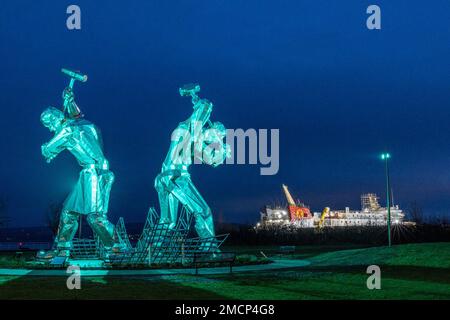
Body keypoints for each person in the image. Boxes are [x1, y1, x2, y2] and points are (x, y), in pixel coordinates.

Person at [38, 90, 118, 258]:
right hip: (91, 173)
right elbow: (77, 115)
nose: (50, 128)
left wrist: (46, 150)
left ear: (55, 119)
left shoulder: (67, 129)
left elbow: (49, 149)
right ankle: (62, 249)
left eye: (49, 124)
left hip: (95, 173)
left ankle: (117, 248)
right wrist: (69, 101)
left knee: (95, 217)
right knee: (69, 212)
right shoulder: (88, 125)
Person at [154, 84, 230, 242]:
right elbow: (205, 108)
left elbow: (212, 161)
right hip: (177, 177)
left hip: (164, 178)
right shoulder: (191, 130)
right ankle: (210, 250)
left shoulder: (191, 134)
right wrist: (200, 102)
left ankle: (151, 250)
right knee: (203, 212)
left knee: (168, 222)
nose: (214, 141)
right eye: (216, 137)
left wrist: (222, 152)